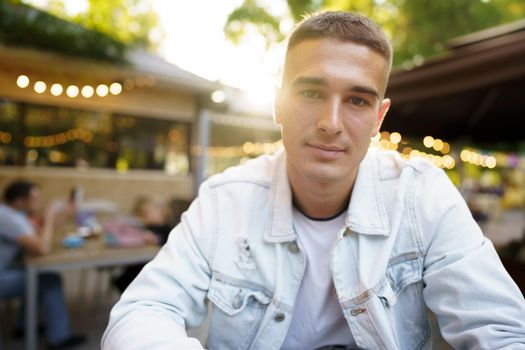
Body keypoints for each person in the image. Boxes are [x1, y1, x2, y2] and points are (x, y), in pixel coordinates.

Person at [102, 11, 525, 349]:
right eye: (310, 93)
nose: (331, 123)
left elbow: (502, 331)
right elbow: (142, 313)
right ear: (277, 103)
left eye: (357, 100)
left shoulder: (421, 195)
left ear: (379, 118)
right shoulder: (224, 200)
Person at [0, 180, 86, 349]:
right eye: (34, 199)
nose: (38, 202)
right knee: (48, 280)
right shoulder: (8, 218)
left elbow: (38, 232)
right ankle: (58, 337)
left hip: (6, 268)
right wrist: (48, 219)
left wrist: (62, 215)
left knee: (36, 275)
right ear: (19, 201)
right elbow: (42, 247)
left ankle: (23, 326)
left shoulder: (12, 213)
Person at [112, 196, 174, 292]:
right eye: (142, 215)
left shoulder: (166, 229)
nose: (144, 217)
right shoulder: (146, 227)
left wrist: (154, 238)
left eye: (147, 213)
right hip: (139, 260)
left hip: (154, 265)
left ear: (161, 212)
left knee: (131, 276)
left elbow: (161, 239)